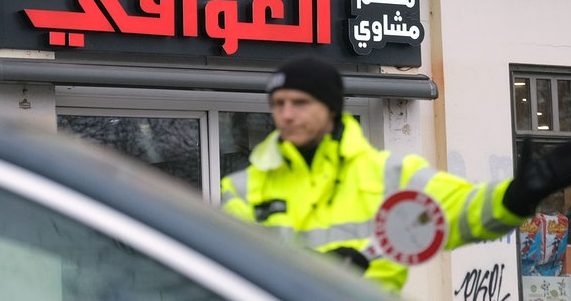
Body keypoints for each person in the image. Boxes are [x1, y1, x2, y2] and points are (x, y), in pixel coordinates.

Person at [220, 56, 571, 294]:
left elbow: (463, 210)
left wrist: (517, 196)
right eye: (278, 104)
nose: (287, 114)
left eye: (299, 103)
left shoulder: (388, 175)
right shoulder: (243, 189)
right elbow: (225, 264)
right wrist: (316, 267)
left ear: (329, 108)